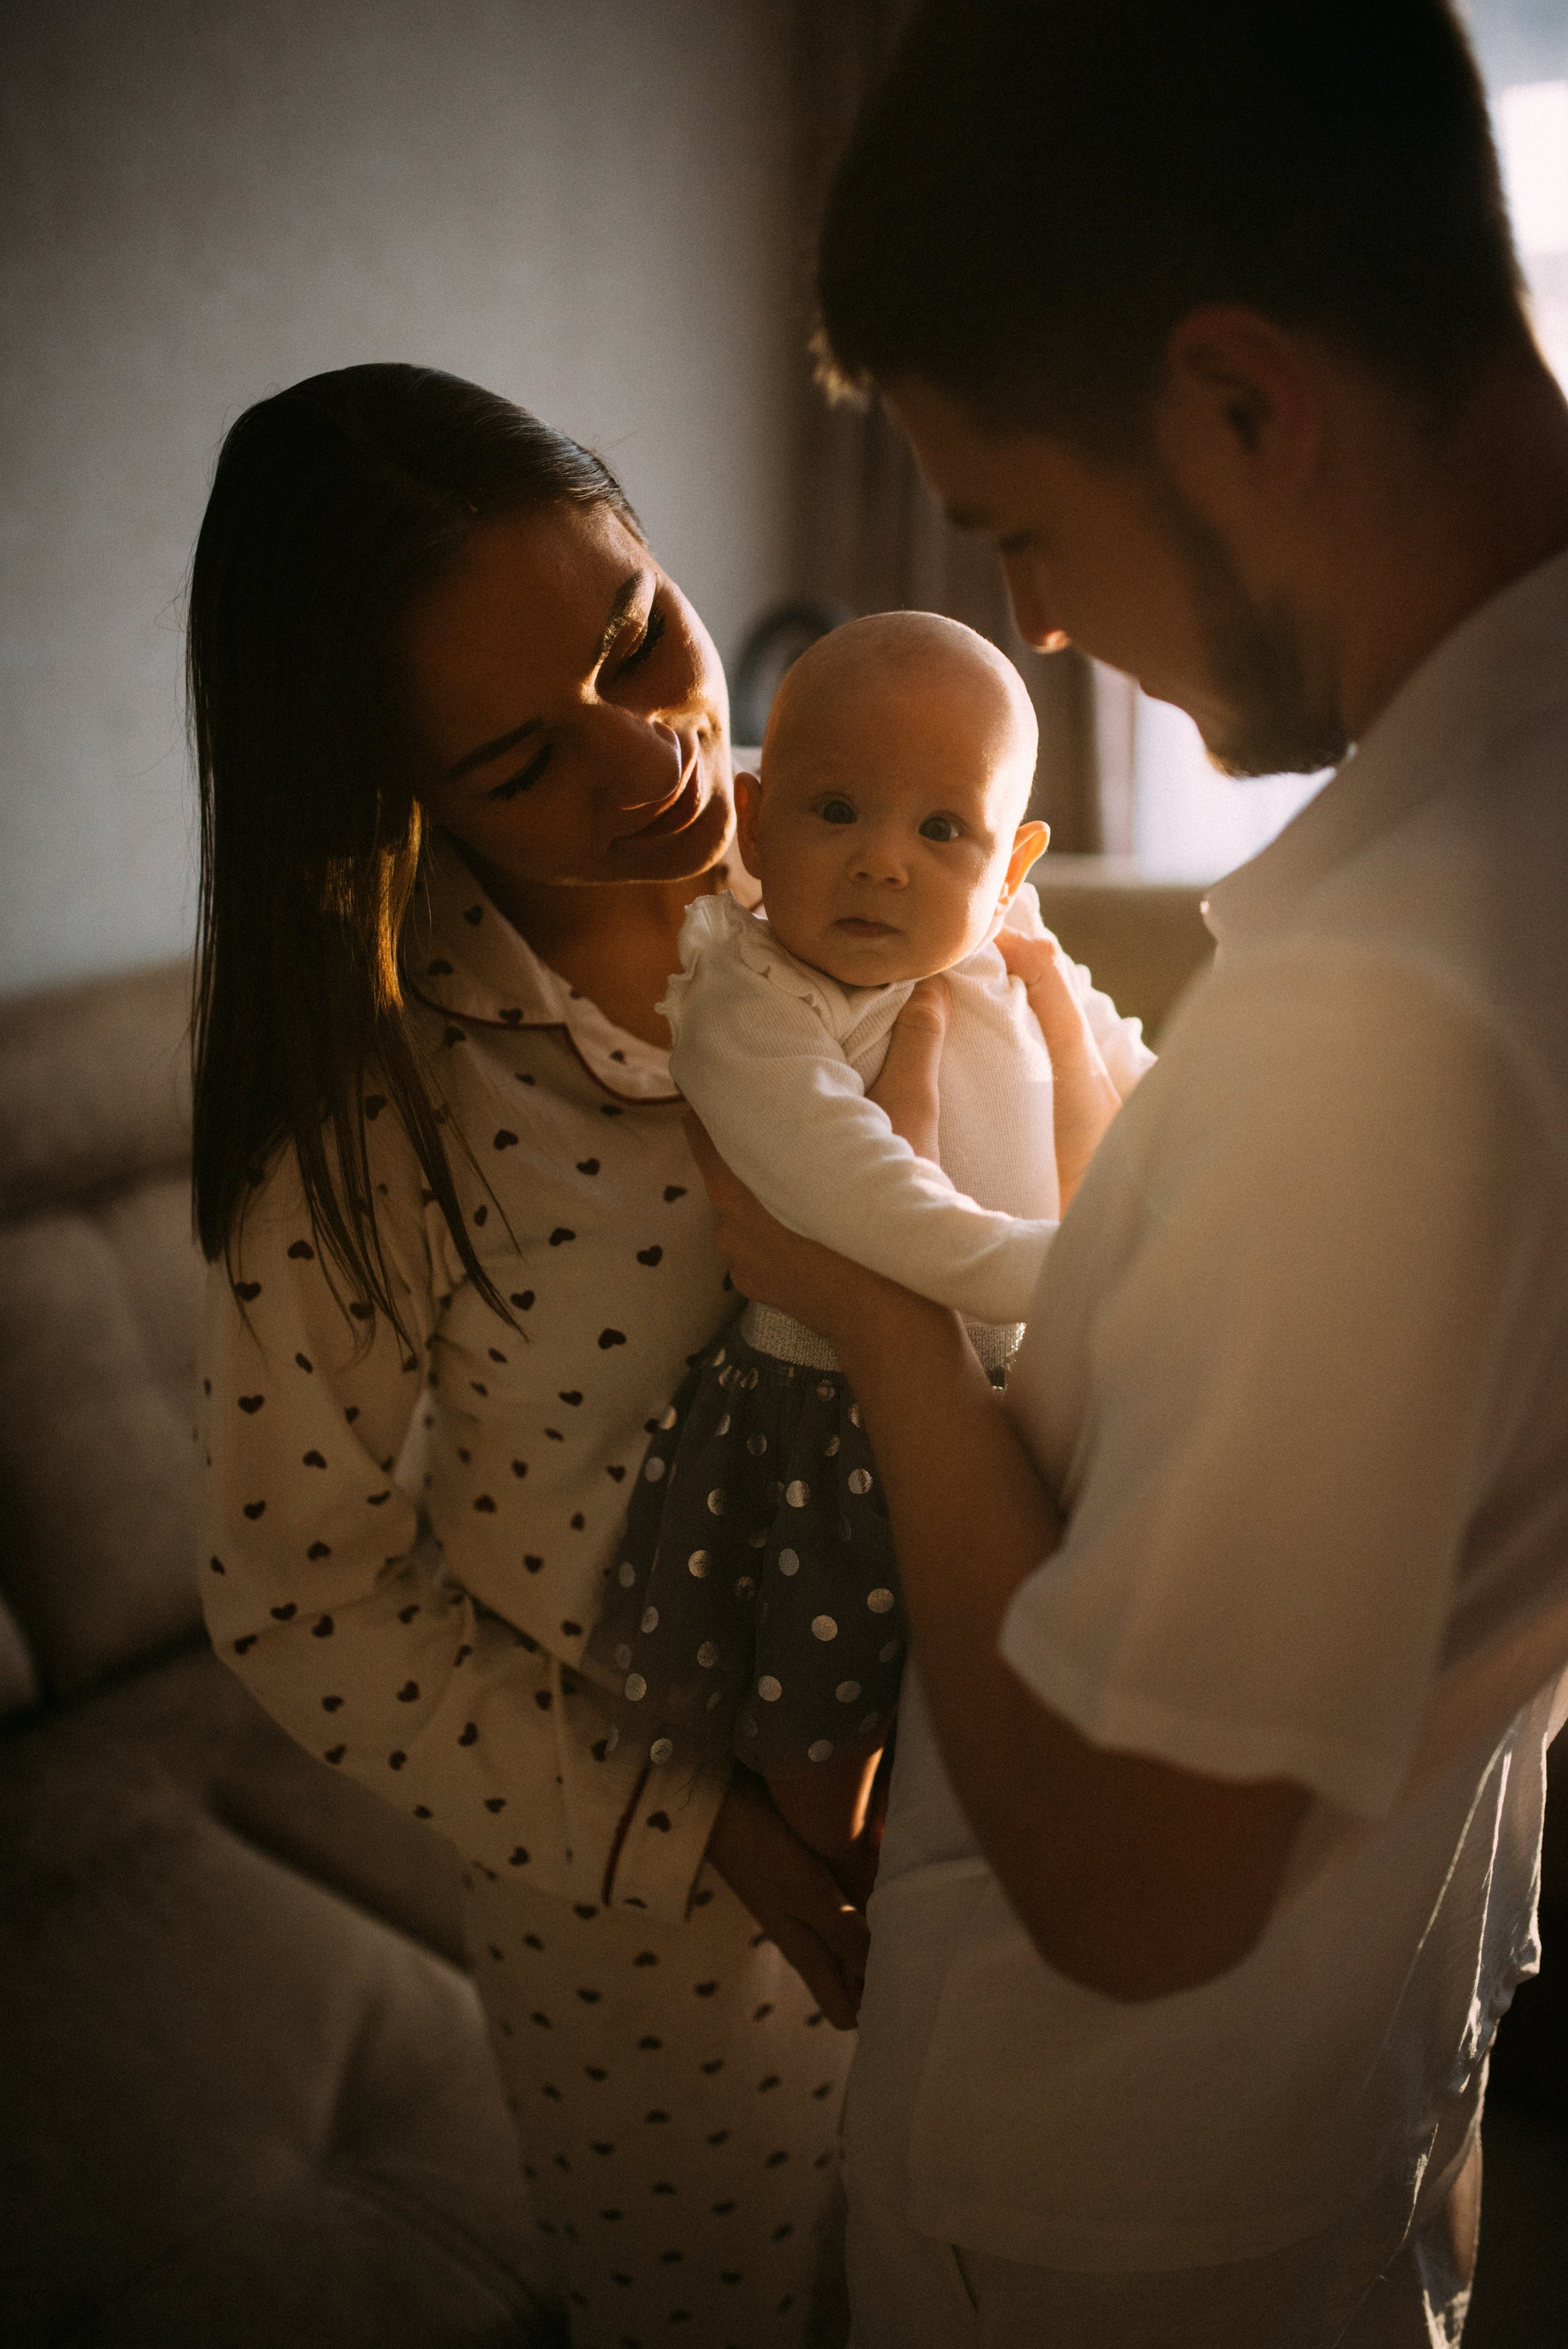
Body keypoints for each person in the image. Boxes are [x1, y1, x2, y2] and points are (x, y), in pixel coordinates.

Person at [685, 1, 1568, 2342]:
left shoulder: (1388, 1011)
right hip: (1337, 2068)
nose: (1044, 619)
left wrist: (879, 1317)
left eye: (1026, 528)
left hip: (1106, 2186)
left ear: (1244, 404)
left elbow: (1136, 1871)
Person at [191, 361, 892, 2347]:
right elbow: (292, 1595)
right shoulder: (374, 1113)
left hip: (979, 1810)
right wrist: (693, 1830)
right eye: (522, 758)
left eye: (638, 634)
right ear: (398, 789)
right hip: (648, 1936)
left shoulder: (862, 846)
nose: (654, 755)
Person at [589, 611, 1147, 1896]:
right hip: (819, 1426)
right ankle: (822, 1854)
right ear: (754, 816)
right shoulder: (750, 1000)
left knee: (984, 1728)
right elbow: (866, 1199)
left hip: (1013, 1394)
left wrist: (1224, 1197)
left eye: (938, 829)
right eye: (835, 811)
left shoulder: (1012, 945)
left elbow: (1147, 1089)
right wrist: (1060, 1273)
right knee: (817, 1766)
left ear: (1009, 861)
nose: (882, 864)